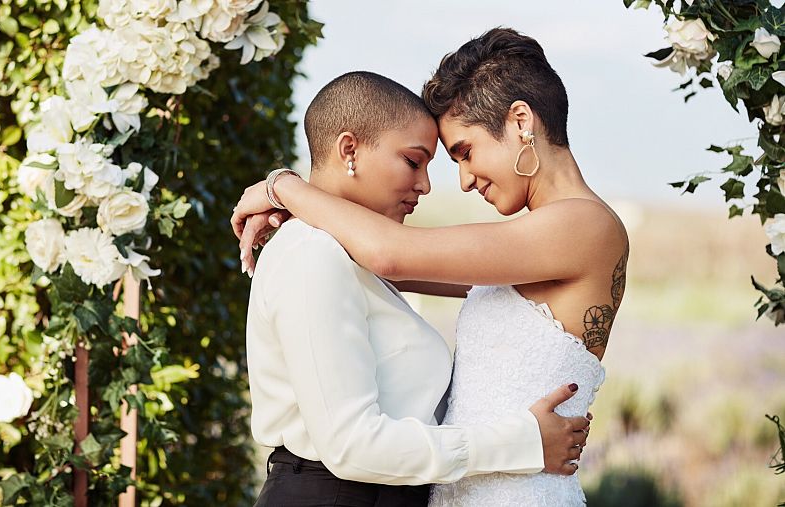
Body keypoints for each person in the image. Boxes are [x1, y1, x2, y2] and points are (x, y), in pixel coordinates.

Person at [234, 28, 626, 506]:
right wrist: (303, 210)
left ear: (521, 121)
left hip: (519, 489)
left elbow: (392, 255)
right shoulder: (534, 243)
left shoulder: (583, 225)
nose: (460, 180)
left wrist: (285, 188)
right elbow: (382, 266)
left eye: (464, 151)